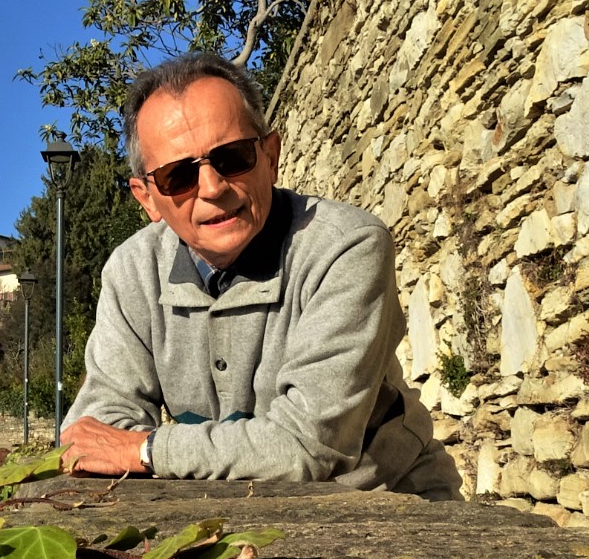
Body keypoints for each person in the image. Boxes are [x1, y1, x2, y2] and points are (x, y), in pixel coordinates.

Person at [60, 51, 461, 500]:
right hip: (227, 512)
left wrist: (149, 450)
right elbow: (97, 426)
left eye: (232, 157)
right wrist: (136, 448)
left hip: (387, 501)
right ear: (147, 198)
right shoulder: (132, 272)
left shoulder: (347, 247)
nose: (212, 188)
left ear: (270, 156)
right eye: (178, 176)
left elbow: (310, 444)